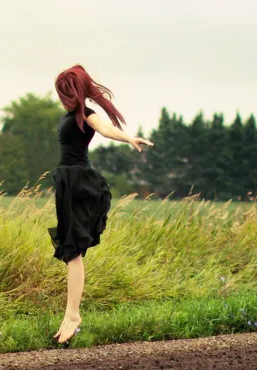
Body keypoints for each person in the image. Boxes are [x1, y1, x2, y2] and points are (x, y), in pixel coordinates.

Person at [48, 64, 153, 344]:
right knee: (72, 251)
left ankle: (73, 315)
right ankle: (70, 315)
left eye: (64, 92)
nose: (61, 97)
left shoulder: (87, 115)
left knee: (73, 251)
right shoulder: (72, 115)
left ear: (73, 91)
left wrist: (128, 138)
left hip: (79, 185)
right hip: (69, 184)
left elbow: (106, 130)